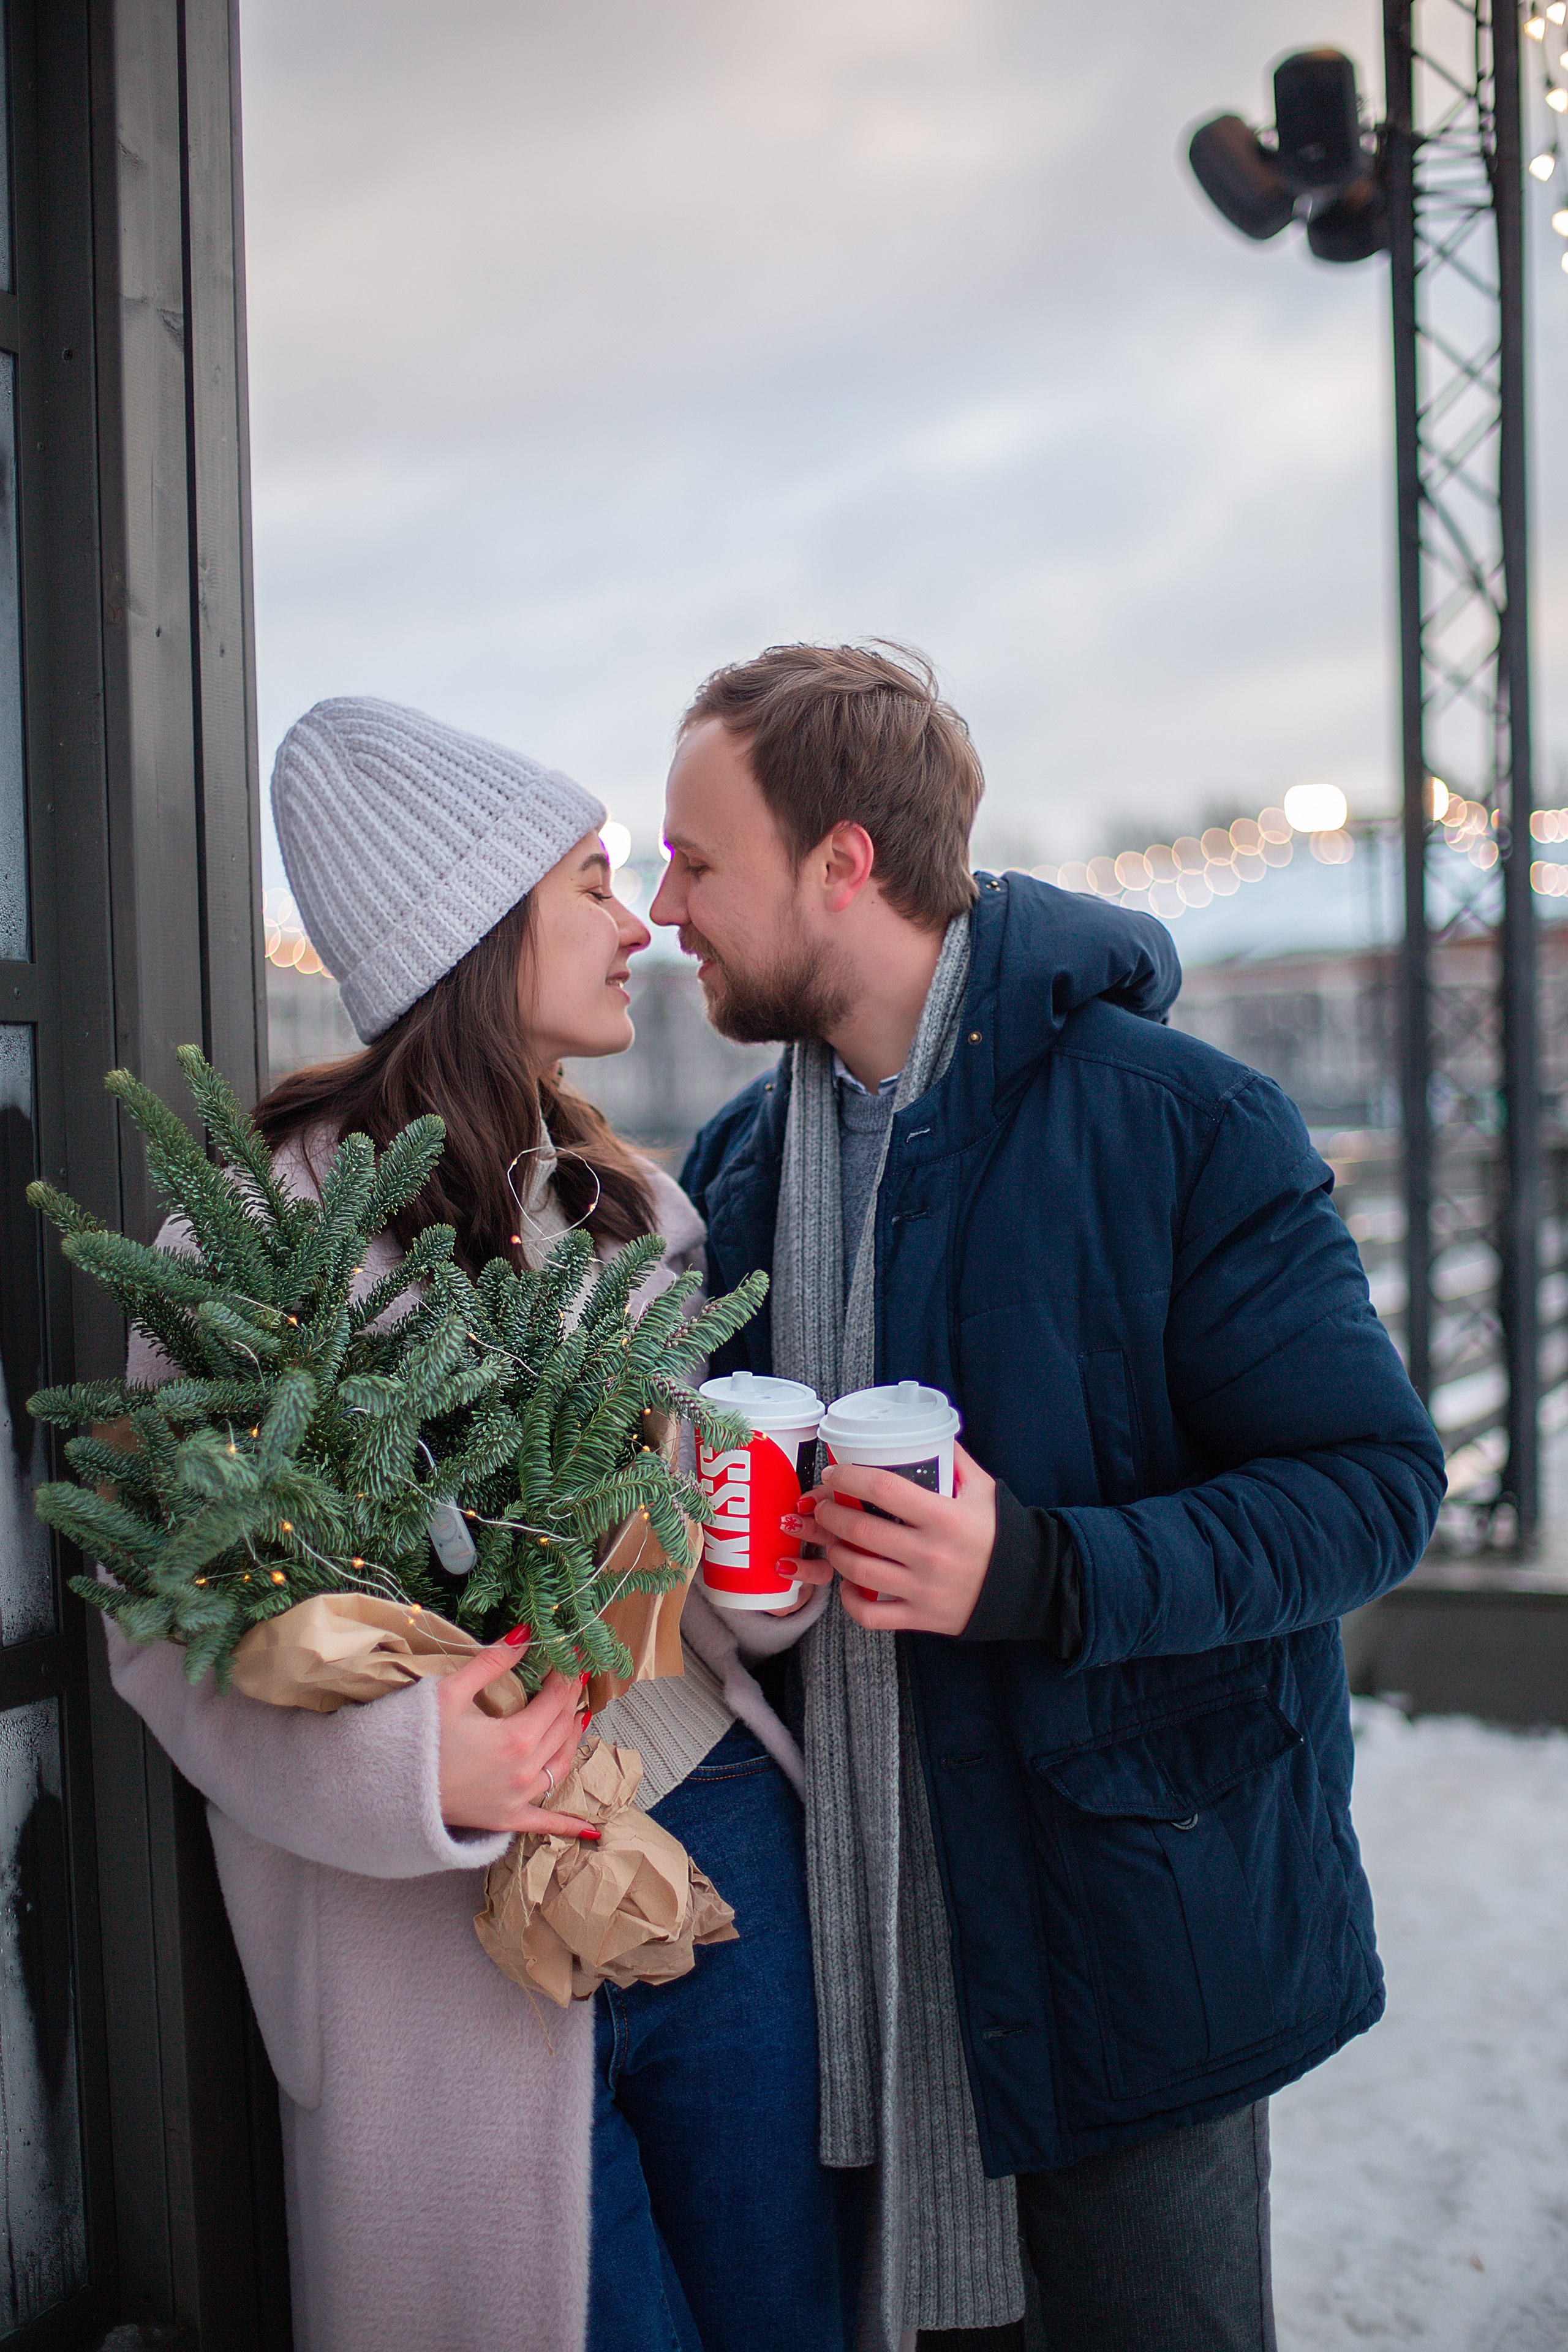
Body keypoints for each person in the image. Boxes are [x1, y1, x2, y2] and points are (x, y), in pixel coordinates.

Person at [655, 643, 1446, 2352]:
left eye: (699, 861)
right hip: (850, 1947)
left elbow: (1371, 1493)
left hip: (1130, 1935)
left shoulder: (1184, 1126)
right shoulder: (737, 1168)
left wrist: (1038, 1568)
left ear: (843, 862)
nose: (665, 907)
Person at [104, 698, 858, 2352]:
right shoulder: (255, 1243)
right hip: (438, 1927)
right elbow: (166, 1628)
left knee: (784, 2314)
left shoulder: (633, 1213)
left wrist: (763, 1578)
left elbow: (671, 1592)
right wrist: (406, 1770)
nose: (639, 918)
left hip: (712, 1847)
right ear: (471, 926)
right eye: (590, 878)